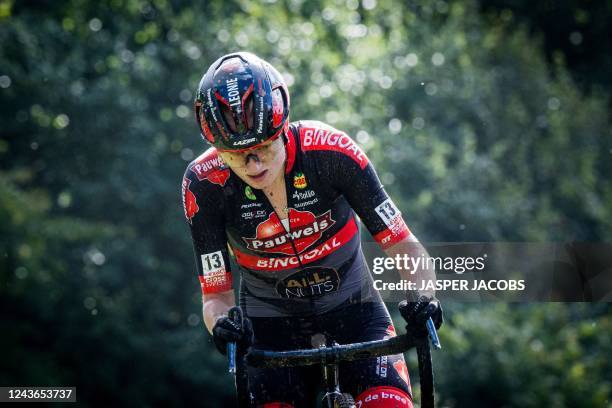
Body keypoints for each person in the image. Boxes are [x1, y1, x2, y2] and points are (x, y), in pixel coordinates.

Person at [182, 51, 443, 408]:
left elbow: (403, 245)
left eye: (262, 147)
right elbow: (215, 297)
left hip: (356, 313)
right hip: (269, 331)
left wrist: (423, 296)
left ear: (283, 128)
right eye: (235, 153)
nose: (252, 163)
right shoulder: (204, 184)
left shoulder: (331, 153)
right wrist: (223, 326)